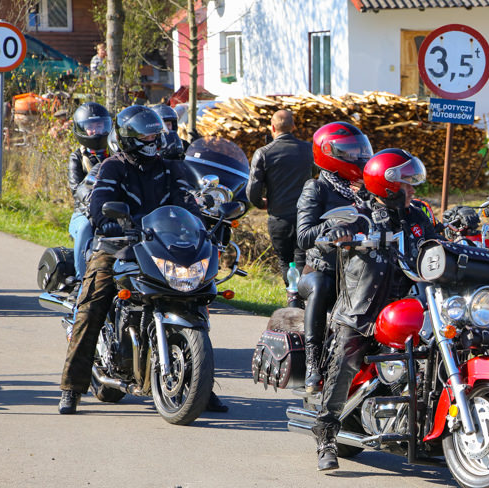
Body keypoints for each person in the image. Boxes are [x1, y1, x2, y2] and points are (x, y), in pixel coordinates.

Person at [58, 104, 228, 414]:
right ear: (128, 138)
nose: (153, 141)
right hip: (118, 246)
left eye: (156, 135)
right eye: (146, 136)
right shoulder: (112, 168)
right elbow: (99, 203)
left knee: (195, 300)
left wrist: (203, 225)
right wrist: (108, 221)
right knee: (91, 305)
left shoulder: (171, 169)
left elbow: (186, 203)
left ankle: (201, 385)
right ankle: (72, 386)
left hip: (160, 247)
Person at [312, 148, 436, 471]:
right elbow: (329, 232)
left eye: (411, 183)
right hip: (362, 313)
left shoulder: (417, 216)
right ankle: (326, 433)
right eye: (407, 184)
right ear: (387, 185)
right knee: (348, 355)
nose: (412, 190)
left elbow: (435, 244)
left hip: (408, 308)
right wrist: (338, 234)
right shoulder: (360, 213)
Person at [296, 121, 373, 394]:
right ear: (329, 154)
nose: (359, 157)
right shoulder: (315, 189)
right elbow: (303, 235)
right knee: (321, 287)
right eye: (351, 152)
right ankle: (313, 364)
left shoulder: (365, 189)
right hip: (320, 270)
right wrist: (334, 225)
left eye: (360, 150)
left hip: (357, 269)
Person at [248, 109, 313, 289]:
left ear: (272, 128)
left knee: (285, 261)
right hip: (305, 217)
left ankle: (292, 298)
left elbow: (253, 191)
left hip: (279, 217)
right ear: (293, 126)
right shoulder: (308, 150)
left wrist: (261, 203)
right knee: (302, 259)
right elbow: (317, 178)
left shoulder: (263, 153)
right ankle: (302, 298)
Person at [68, 102, 111, 281]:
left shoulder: (115, 152)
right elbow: (76, 188)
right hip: (83, 213)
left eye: (99, 125)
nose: (95, 131)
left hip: (111, 211)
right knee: (86, 228)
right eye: (90, 127)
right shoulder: (77, 157)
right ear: (82, 129)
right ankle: (80, 279)